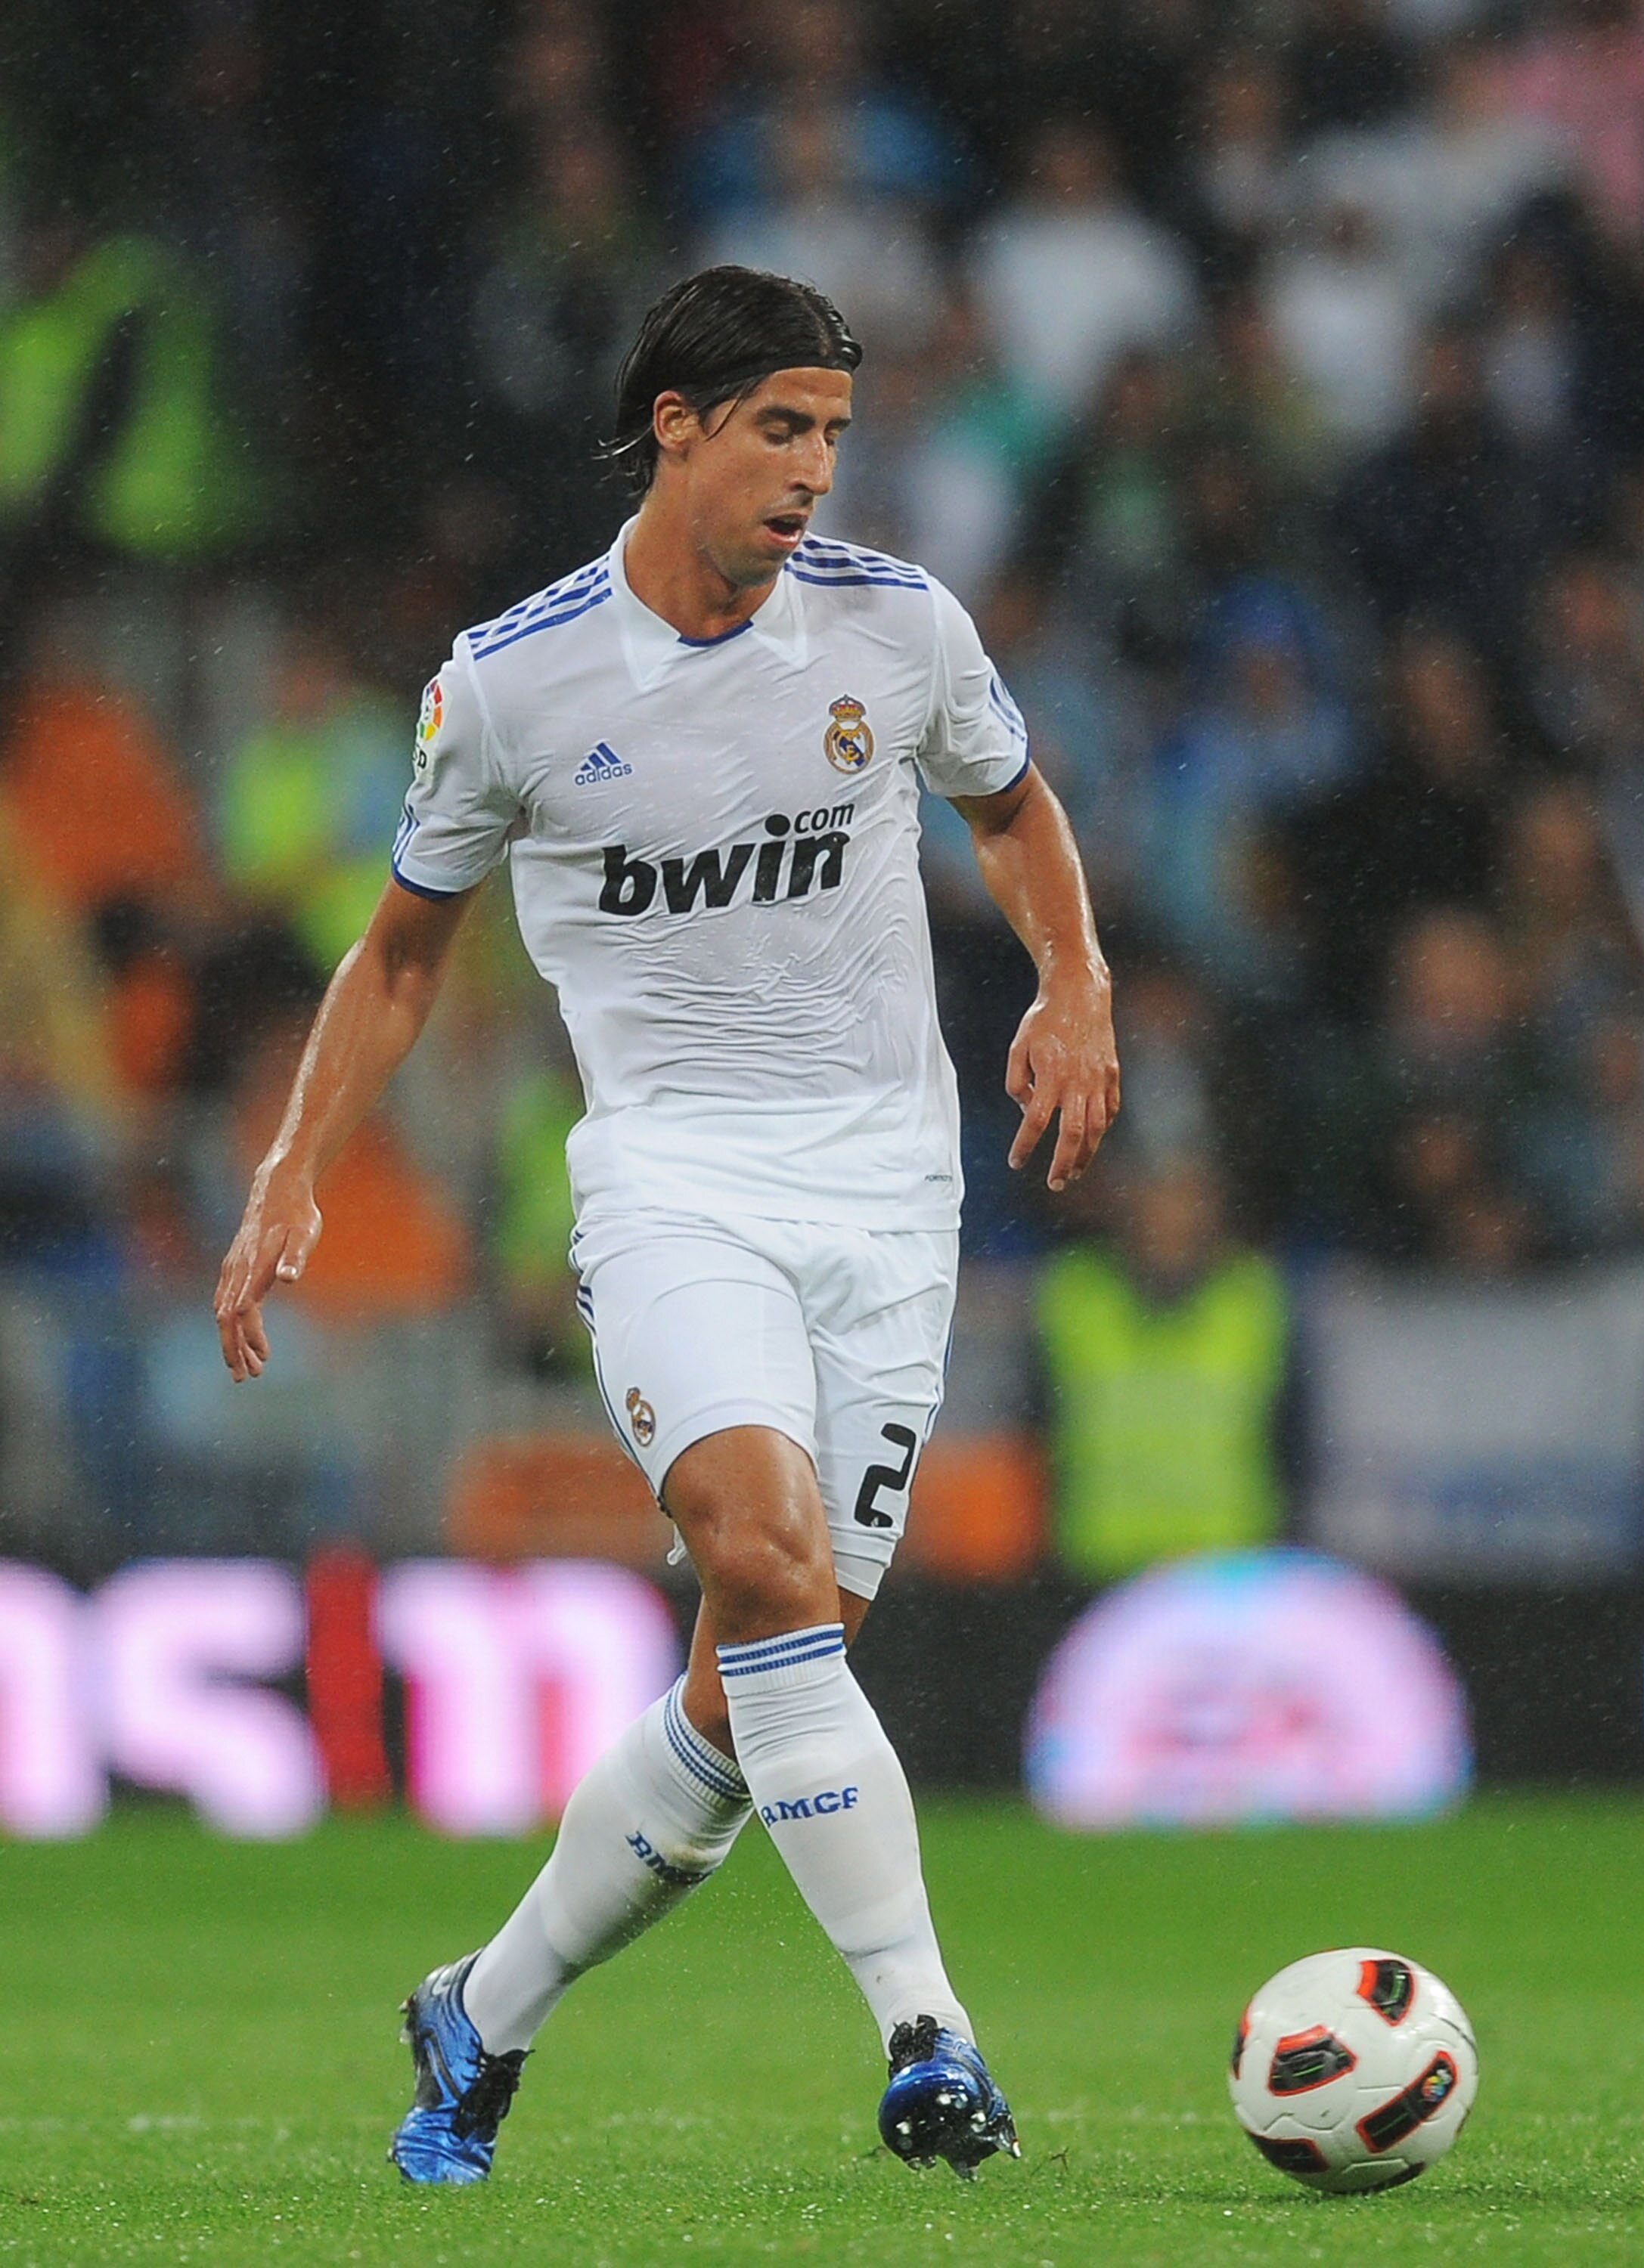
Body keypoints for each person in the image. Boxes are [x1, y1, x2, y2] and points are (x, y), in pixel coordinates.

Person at [212, 266, 1119, 2186]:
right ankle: (927, 2034)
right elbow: (395, 959)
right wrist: (296, 1163)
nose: (812, 470)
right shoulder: (514, 682)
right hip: (672, 1176)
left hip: (890, 1185)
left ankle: (484, 2008)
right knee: (764, 1567)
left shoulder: (897, 626)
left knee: (752, 1684)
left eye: (834, 435)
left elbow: (1016, 811)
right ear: (677, 425)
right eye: (779, 427)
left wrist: (1076, 984)